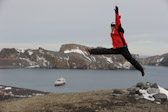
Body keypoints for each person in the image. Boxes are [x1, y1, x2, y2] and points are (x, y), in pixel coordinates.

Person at [85, 6, 145, 76]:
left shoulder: (118, 30)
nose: (111, 27)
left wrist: (116, 13)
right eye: (111, 26)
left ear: (115, 26)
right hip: (116, 48)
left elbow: (118, 23)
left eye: (112, 26)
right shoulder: (112, 33)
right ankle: (90, 51)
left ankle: (141, 70)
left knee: (131, 60)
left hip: (123, 48)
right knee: (104, 50)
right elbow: (117, 23)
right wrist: (118, 18)